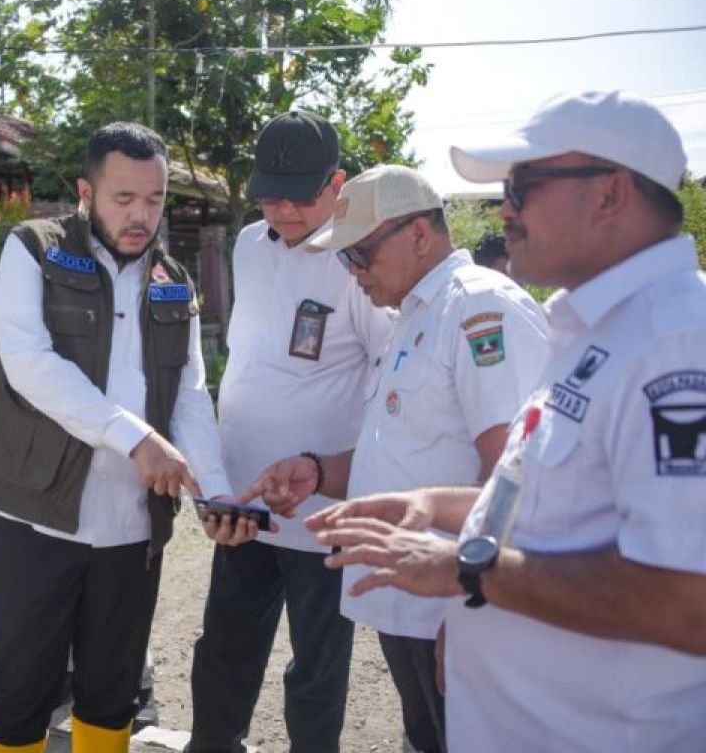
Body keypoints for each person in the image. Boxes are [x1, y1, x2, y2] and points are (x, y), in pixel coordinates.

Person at [302, 90, 706, 751]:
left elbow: (688, 601)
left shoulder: (675, 344)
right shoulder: (597, 331)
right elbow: (551, 502)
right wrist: (430, 504)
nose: (505, 211)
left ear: (609, 195)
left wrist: (467, 577)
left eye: (523, 186)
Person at [252, 164, 548, 752]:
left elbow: (514, 476)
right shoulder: (414, 316)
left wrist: (472, 608)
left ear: (418, 234)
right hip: (411, 605)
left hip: (449, 606)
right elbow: (405, 448)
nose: (353, 273)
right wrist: (318, 470)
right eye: (344, 259)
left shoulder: (479, 311)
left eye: (359, 254)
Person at [0, 121, 253, 753]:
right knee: (22, 693)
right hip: (38, 514)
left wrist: (217, 493)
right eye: (123, 199)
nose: (141, 215)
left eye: (153, 200)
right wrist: (134, 438)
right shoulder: (34, 249)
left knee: (111, 693)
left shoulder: (173, 278)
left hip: (131, 525)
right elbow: (28, 362)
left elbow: (187, 394)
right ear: (85, 191)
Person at [186, 110, 393, 753]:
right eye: (270, 197)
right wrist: (217, 481)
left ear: (338, 183)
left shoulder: (363, 263)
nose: (283, 213)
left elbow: (389, 380)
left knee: (316, 666)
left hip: (322, 505)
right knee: (225, 647)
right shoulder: (249, 244)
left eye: (299, 197)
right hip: (242, 497)